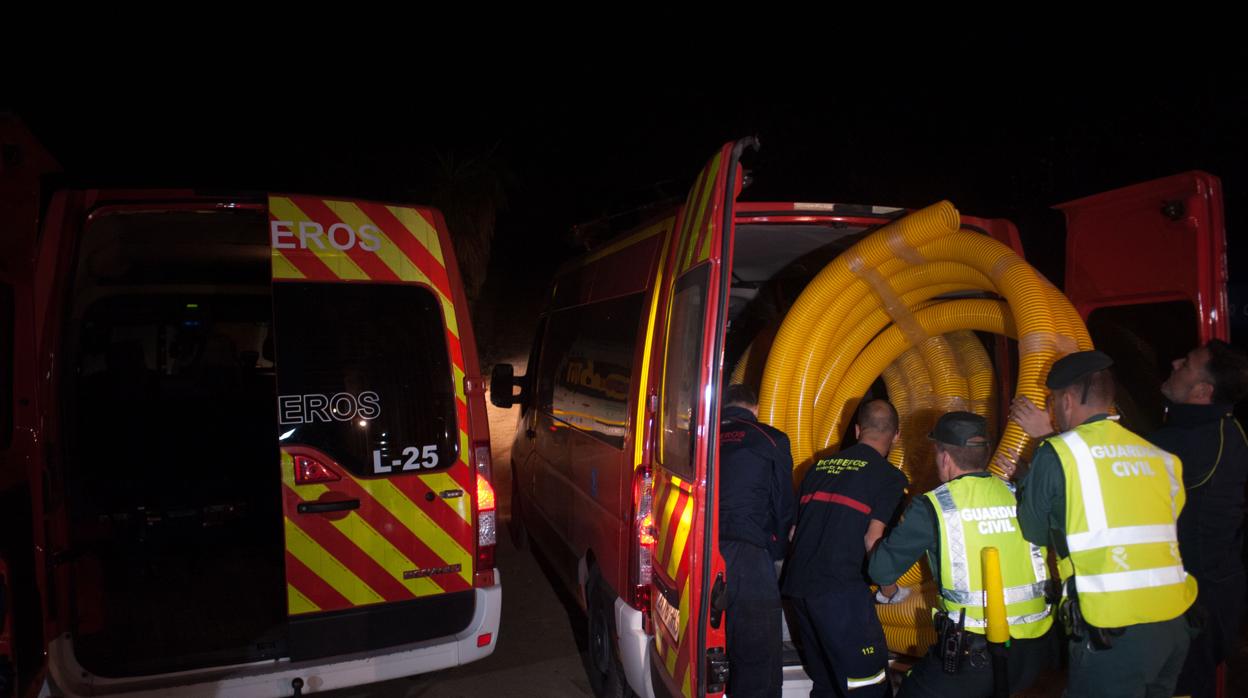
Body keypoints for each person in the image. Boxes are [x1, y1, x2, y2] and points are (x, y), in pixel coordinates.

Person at [1010, 341, 1248, 697]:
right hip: (1176, 622)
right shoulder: (1161, 456)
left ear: (1067, 402)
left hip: (1114, 628)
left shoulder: (1059, 452)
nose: (1176, 360)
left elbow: (1034, 530)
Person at [869, 411, 1054, 696]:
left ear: (944, 457)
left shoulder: (934, 506)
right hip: (1033, 651)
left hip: (973, 655)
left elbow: (881, 570)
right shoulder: (1019, 493)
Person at [783, 399, 907, 697]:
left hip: (799, 590)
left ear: (856, 430)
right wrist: (890, 591)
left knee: (826, 682)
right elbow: (872, 539)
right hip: (840, 595)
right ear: (896, 435)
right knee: (867, 686)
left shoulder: (818, 468)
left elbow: (793, 532)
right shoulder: (889, 478)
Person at [719, 384, 796, 697]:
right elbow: (783, 504)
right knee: (758, 656)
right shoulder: (770, 438)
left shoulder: (701, 440)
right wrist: (776, 552)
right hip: (749, 555)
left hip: (701, 551)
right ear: (754, 409)